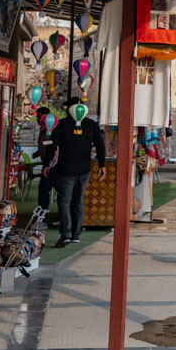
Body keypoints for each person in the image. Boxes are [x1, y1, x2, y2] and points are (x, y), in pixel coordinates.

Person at [44, 97, 106, 248]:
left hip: (65, 170)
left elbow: (52, 145)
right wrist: (102, 165)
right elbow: (100, 145)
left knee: (64, 201)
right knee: (78, 202)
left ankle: (65, 234)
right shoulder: (91, 125)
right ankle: (76, 234)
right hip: (84, 169)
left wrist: (47, 164)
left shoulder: (62, 124)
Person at [34, 107, 56, 231]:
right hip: (47, 165)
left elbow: (51, 148)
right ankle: (42, 218)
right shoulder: (43, 130)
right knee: (44, 191)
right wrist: (38, 153)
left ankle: (42, 219)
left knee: (44, 191)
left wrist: (48, 165)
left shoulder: (50, 129)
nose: (38, 119)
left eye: (39, 117)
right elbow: (44, 146)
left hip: (51, 166)